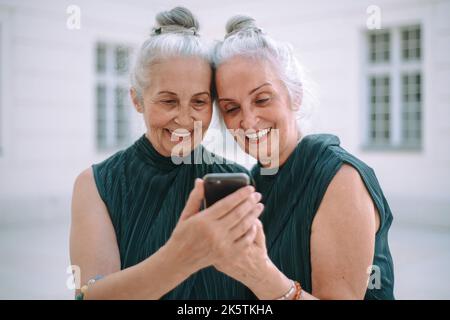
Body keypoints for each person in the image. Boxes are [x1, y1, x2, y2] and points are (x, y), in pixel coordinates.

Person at [69, 7, 264, 300]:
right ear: (137, 98)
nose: (185, 120)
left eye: (199, 102)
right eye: (168, 101)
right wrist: (180, 257)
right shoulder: (97, 185)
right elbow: (90, 294)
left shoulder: (235, 180)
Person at [212, 15, 395, 299]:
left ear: (294, 95)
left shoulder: (339, 177)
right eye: (231, 108)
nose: (248, 121)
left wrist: (260, 275)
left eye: (262, 99)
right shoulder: (255, 181)